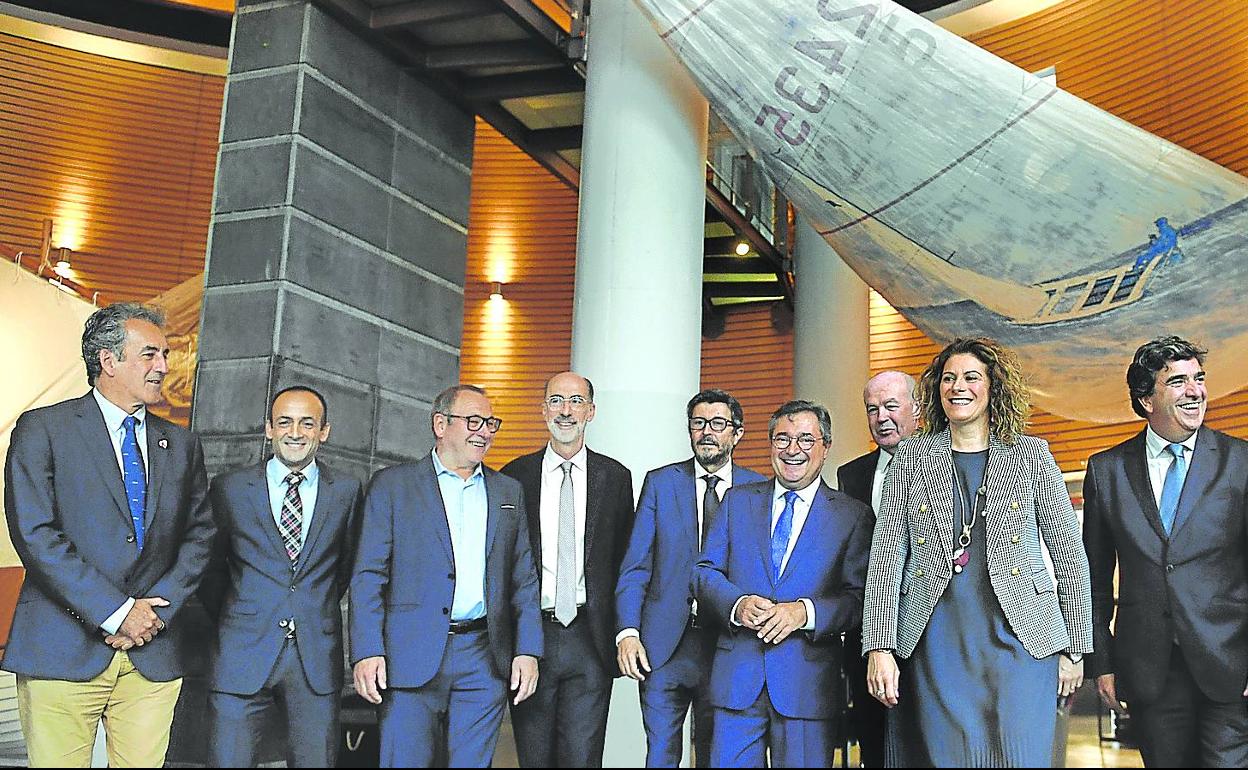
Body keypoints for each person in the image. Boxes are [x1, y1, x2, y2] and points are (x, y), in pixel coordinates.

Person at [862, 337, 1092, 767]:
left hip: (1023, 645)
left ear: (993, 387)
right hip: (937, 646)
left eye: (971, 377)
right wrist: (879, 647)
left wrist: (1075, 648)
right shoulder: (911, 457)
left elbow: (1069, 555)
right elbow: (886, 559)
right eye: (948, 378)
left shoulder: (1031, 455)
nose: (958, 387)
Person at [2, 303, 215, 767]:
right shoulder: (43, 429)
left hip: (153, 653)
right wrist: (117, 613)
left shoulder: (182, 443)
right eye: (150, 354)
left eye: (164, 355)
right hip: (63, 646)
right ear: (108, 361)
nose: (164, 366)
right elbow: (35, 534)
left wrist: (153, 615)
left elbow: (201, 536)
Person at [349, 384, 542, 767]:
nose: (484, 432)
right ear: (440, 424)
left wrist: (528, 650)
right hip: (408, 657)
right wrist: (367, 650)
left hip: (484, 659)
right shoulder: (392, 486)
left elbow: (523, 579)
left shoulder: (508, 492)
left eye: (490, 423)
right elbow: (368, 576)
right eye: (474, 421)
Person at [1083, 336, 1248, 766]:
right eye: (1177, 382)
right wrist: (1102, 663)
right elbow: (1093, 582)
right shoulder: (1107, 471)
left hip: (1230, 663)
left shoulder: (1240, 462)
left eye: (1199, 379)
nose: (1195, 391)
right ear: (1146, 400)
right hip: (1149, 669)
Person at [695, 399, 872, 767]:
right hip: (737, 681)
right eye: (783, 439)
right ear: (770, 444)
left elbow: (858, 599)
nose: (793, 450)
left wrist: (804, 613)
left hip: (807, 685)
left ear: (826, 446)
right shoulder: (736, 501)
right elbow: (704, 572)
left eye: (806, 439)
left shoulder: (852, 515)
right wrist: (737, 605)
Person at [201, 386, 362, 767]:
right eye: (285, 422)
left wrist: (308, 607)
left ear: (324, 431)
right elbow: (209, 569)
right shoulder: (230, 488)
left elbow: (345, 568)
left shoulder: (347, 491)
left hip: (315, 657)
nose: (295, 432)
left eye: (307, 423)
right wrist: (244, 613)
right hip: (241, 652)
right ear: (269, 429)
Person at [616, 389, 766, 767]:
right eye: (698, 423)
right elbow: (636, 566)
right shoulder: (660, 483)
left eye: (717, 423)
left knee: (719, 755)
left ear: (737, 433)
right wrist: (628, 633)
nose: (706, 432)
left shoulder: (758, 489)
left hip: (729, 647)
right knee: (661, 755)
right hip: (664, 647)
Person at [500, 372, 635, 768]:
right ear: (543, 410)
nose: (565, 410)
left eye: (576, 401)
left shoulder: (616, 478)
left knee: (582, 758)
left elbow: (626, 561)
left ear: (591, 411)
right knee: (534, 757)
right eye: (556, 400)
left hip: (590, 639)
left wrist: (624, 631)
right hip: (531, 636)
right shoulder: (513, 477)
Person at [836, 370, 920, 767]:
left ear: (917, 409)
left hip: (928, 633)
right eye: (872, 409)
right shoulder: (850, 474)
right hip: (866, 634)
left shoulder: (946, 464)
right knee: (874, 744)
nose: (881, 417)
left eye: (891, 406)